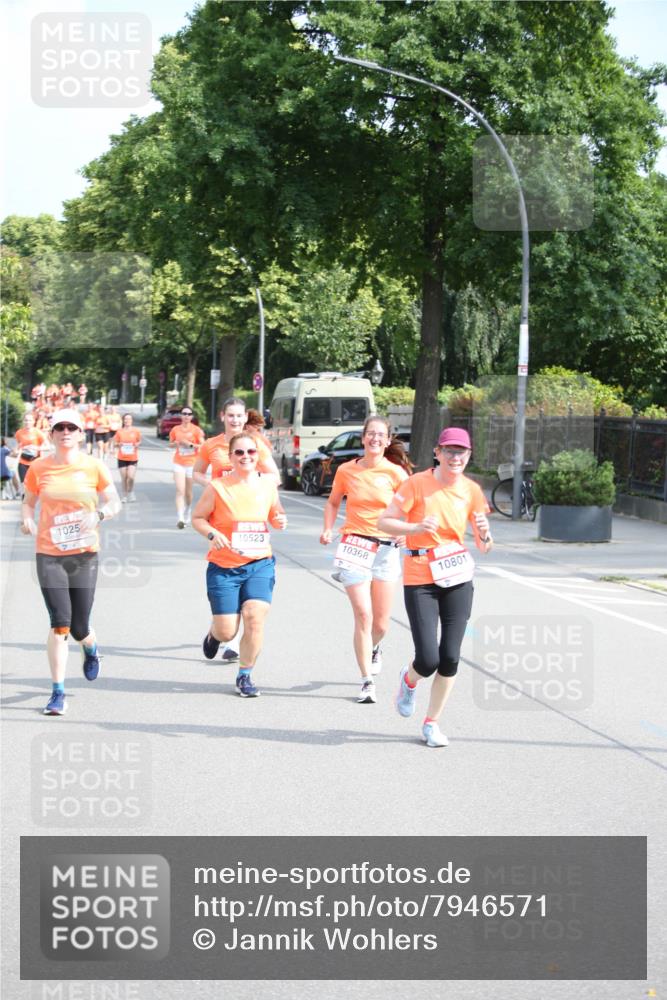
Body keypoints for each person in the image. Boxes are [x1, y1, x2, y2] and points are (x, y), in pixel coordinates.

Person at [377, 427, 493, 748]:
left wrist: (484, 533)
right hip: (420, 576)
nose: (456, 458)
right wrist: (414, 527)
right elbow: (384, 522)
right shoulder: (416, 484)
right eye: (450, 451)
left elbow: (485, 546)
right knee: (428, 659)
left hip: (457, 576)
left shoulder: (471, 490)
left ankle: (431, 723)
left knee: (450, 657)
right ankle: (409, 680)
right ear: (437, 452)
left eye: (462, 452)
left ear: (469, 456)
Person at [20, 409, 121, 716]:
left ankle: (90, 647)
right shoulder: (38, 468)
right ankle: (57, 692)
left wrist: (100, 515)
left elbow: (114, 501)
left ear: (80, 434)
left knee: (79, 627)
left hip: (84, 553)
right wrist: (27, 521)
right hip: (49, 553)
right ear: (51, 434)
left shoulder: (94, 467)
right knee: (60, 623)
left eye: (71, 427)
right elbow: (28, 503)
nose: (65, 431)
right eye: (59, 427)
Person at [320, 416, 412, 704]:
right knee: (363, 615)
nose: (374, 438)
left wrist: (406, 533)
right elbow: (334, 501)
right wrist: (328, 527)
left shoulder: (397, 474)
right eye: (370, 433)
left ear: (387, 441)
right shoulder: (347, 470)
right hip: (355, 545)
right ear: (363, 438)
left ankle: (374, 648)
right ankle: (366, 681)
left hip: (386, 550)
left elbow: (413, 507)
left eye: (380, 435)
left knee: (381, 624)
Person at [192, 432, 287, 697]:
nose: (246, 457)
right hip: (224, 567)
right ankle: (214, 634)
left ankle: (245, 675)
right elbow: (198, 518)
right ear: (231, 457)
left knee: (254, 617)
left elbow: (276, 513)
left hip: (259, 563)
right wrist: (213, 533)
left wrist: (279, 521)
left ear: (258, 456)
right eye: (240, 453)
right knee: (227, 631)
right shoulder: (218, 487)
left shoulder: (268, 484)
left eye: (251, 452)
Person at [168, 406, 205, 528]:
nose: (186, 416)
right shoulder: (175, 429)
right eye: (184, 414)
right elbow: (171, 444)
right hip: (178, 462)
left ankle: (188, 509)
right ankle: (180, 518)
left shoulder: (196, 430)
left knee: (188, 493)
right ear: (181, 415)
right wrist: (177, 444)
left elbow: (202, 446)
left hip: (192, 463)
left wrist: (189, 445)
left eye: (189, 414)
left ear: (192, 416)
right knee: (180, 490)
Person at [12, 412, 48, 490]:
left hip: (35, 462)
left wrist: (36, 448)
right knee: (24, 483)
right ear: (23, 421)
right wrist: (16, 451)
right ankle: (24, 499)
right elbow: (16, 447)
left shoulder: (38, 433)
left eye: (29, 420)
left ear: (33, 421)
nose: (27, 422)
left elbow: (48, 447)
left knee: (35, 484)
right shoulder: (19, 433)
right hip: (23, 462)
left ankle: (34, 500)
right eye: (26, 420)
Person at [113, 413, 142, 502]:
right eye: (125, 419)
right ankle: (124, 495)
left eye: (129, 419)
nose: (127, 421)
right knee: (124, 477)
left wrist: (137, 444)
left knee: (131, 477)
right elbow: (115, 444)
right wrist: (119, 444)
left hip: (133, 457)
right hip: (122, 457)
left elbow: (139, 441)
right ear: (123, 421)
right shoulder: (119, 432)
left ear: (131, 421)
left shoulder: (136, 431)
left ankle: (130, 492)